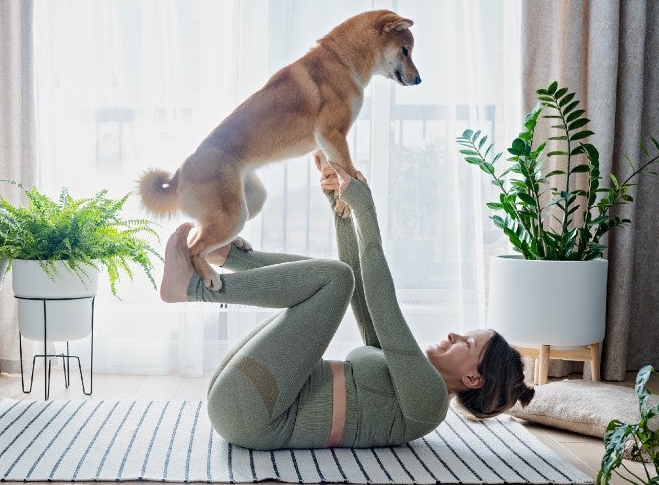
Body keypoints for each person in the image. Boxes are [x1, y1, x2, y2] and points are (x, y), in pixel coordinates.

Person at [159, 158, 534, 450]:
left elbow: (384, 304)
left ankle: (194, 288)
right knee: (339, 279)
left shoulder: (429, 401)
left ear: (473, 378)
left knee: (334, 279)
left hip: (254, 413)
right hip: (247, 399)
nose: (454, 334)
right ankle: (228, 256)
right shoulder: (405, 374)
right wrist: (342, 209)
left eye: (467, 344)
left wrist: (366, 209)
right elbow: (360, 293)